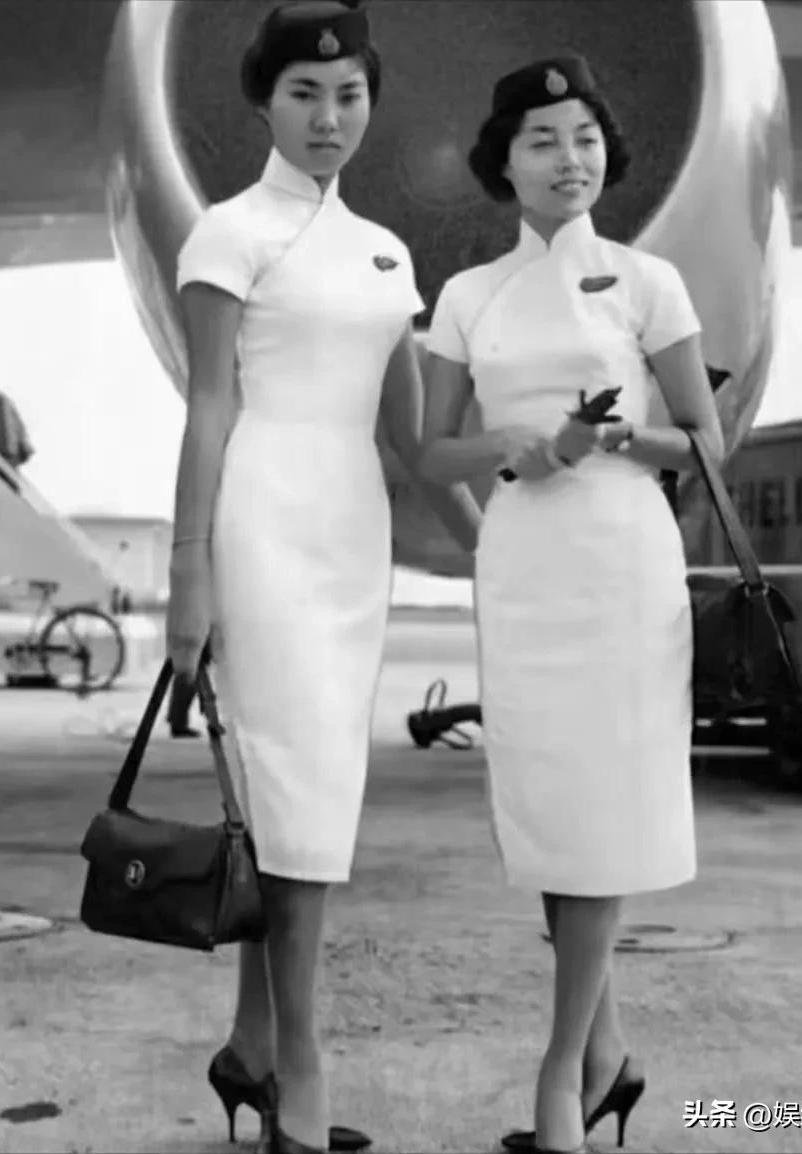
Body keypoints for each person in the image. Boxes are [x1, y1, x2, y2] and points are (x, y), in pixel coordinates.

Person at [165, 3, 479, 1152]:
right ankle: (301, 1070)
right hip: (261, 526)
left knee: (304, 803)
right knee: (295, 809)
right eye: (305, 93)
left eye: (348, 96)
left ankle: (249, 1046)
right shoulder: (227, 234)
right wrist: (187, 575)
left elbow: (412, 440)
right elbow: (209, 408)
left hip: (352, 541)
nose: (328, 116)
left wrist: (493, 543)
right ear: (265, 100)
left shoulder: (387, 253)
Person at [418, 56, 724, 1153]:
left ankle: (561, 1076)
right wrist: (511, 456)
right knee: (551, 814)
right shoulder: (468, 295)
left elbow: (708, 444)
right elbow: (430, 450)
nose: (569, 159)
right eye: (543, 141)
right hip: (525, 566)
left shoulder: (650, 282)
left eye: (585, 137)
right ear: (503, 163)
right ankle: (610, 1057)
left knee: (601, 809)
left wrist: (617, 437)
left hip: (621, 565)